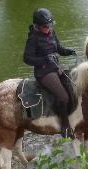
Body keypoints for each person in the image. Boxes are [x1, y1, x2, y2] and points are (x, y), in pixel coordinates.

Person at [23, 8, 77, 138]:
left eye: (50, 25)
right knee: (63, 97)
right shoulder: (33, 38)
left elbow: (59, 49)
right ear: (37, 26)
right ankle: (64, 126)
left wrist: (68, 51)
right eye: (45, 26)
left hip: (55, 67)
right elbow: (27, 58)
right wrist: (44, 59)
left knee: (73, 87)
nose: (48, 28)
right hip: (43, 72)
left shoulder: (52, 32)